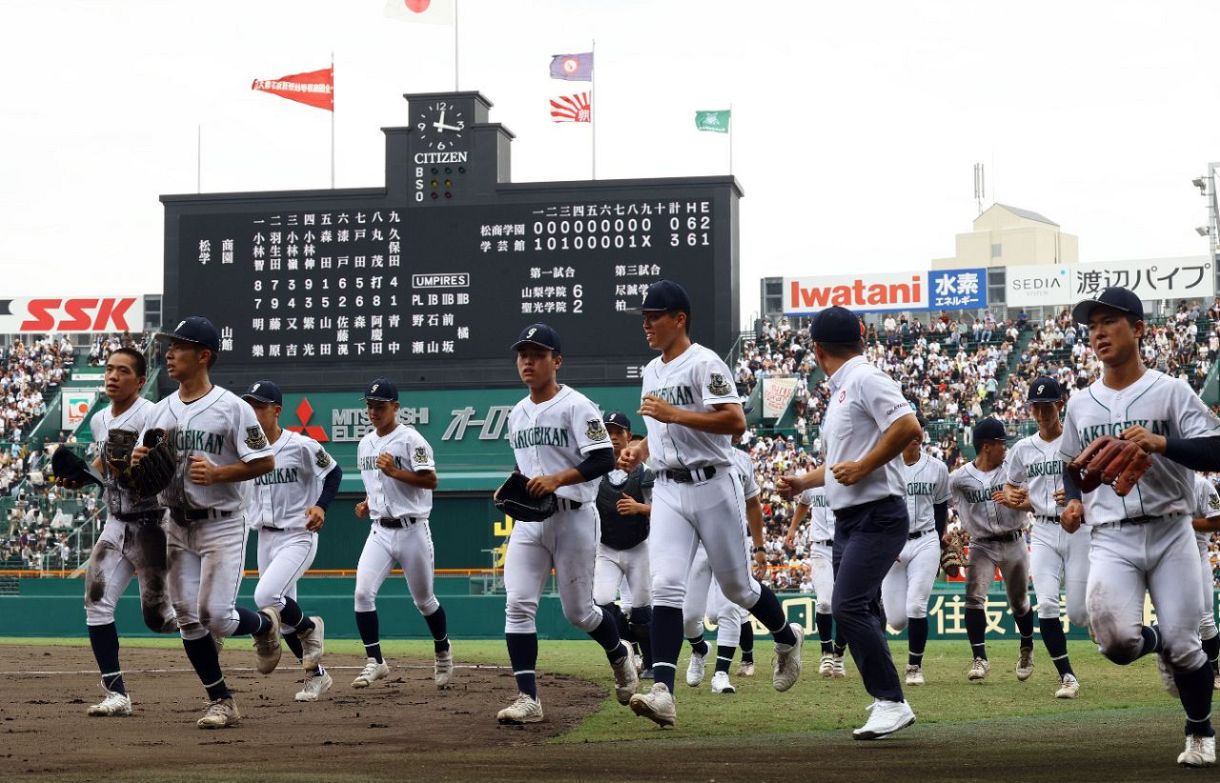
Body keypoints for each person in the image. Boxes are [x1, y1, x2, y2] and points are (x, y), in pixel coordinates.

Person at [620, 281, 803, 728]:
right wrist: (641, 449)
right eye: (643, 316)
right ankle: (663, 690)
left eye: (654, 316)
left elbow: (735, 422)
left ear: (679, 319)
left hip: (713, 483)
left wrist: (675, 414)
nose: (646, 323)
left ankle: (785, 638)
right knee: (665, 585)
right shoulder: (650, 370)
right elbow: (660, 428)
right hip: (666, 487)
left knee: (739, 588)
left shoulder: (706, 363)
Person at [1060, 286, 1220, 767]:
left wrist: (1162, 443)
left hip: (1172, 531)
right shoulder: (1080, 403)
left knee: (1187, 645)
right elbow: (1073, 466)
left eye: (1110, 322)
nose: (1099, 333)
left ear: (1139, 329)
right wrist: (1071, 502)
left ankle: (1200, 732)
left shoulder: (1170, 391)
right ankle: (1159, 648)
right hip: (1111, 536)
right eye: (1092, 326)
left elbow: (1215, 449)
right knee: (1115, 642)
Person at [778, 305, 920, 740]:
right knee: (865, 608)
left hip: (877, 513)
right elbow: (841, 464)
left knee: (847, 606)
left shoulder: (863, 378)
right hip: (850, 519)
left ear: (818, 349)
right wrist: (804, 481)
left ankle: (891, 701)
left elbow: (908, 425)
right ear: (858, 338)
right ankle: (887, 697)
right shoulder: (844, 388)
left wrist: (863, 467)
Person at [131, 316, 278, 729]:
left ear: (204, 355)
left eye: (178, 346)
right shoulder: (159, 411)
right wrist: (138, 463)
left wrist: (218, 474)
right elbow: (140, 469)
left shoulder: (233, 408)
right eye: (169, 346)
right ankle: (222, 700)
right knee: (186, 614)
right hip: (176, 523)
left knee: (215, 614)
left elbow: (264, 461)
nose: (169, 353)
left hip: (222, 524)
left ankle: (265, 624)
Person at [497, 324, 638, 724]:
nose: (528, 361)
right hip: (530, 522)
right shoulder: (516, 414)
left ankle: (618, 652)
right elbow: (525, 468)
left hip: (574, 517)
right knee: (517, 605)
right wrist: (513, 487)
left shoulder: (578, 406)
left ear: (556, 361)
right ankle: (528, 698)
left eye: (537, 354)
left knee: (579, 613)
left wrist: (557, 479)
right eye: (523, 354)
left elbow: (602, 459)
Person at [73, 347, 177, 717]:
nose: (112, 376)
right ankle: (117, 693)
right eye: (109, 369)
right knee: (96, 604)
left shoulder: (152, 415)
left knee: (158, 617)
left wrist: (135, 468)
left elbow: (165, 472)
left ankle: (209, 626)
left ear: (140, 379)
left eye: (122, 370)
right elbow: (104, 465)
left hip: (153, 526)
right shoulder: (101, 419)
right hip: (115, 524)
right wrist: (82, 476)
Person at [242, 380, 342, 702]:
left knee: (267, 596)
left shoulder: (301, 446)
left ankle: (311, 628)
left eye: (260, 406)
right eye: (250, 406)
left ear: (276, 410)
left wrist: (321, 506)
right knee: (284, 622)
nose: (254, 412)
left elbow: (334, 472)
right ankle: (317, 677)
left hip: (298, 535)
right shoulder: (247, 450)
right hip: (266, 538)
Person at [351, 377, 453, 690]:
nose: (373, 411)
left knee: (424, 601)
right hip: (380, 529)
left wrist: (396, 471)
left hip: (412, 530)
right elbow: (377, 485)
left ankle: (442, 651)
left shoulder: (412, 440)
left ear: (395, 407)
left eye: (380, 406)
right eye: (369, 405)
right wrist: (368, 502)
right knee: (362, 594)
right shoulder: (365, 444)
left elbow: (431, 480)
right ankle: (375, 661)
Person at [1002, 377, 1087, 699]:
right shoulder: (1023, 448)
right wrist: (1013, 496)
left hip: (1080, 529)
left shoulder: (1079, 443)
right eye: (1035, 407)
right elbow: (1010, 485)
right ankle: (1067, 676)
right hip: (1043, 529)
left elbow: (1104, 482)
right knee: (1047, 603)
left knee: (1078, 613)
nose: (1039, 413)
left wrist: (1082, 494)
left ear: (1060, 405)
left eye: (1046, 406)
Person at [947, 417, 1036, 682]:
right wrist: (945, 534)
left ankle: (1026, 647)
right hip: (981, 544)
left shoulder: (1013, 469)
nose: (1005, 449)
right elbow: (940, 501)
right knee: (974, 598)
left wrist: (1020, 501)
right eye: (1000, 444)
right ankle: (979, 658)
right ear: (987, 446)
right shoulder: (959, 478)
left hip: (1015, 540)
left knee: (1019, 603)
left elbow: (1034, 498)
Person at [683, 436, 768, 695]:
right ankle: (700, 649)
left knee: (729, 609)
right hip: (696, 541)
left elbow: (753, 503)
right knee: (689, 616)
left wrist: (760, 546)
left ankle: (721, 674)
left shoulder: (742, 459)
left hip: (731, 539)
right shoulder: (691, 453)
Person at [882, 416, 949, 686]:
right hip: (893, 543)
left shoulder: (937, 468)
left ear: (921, 436)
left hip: (925, 540)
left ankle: (914, 666)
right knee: (897, 620)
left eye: (916, 432)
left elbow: (941, 506)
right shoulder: (885, 467)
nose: (913, 436)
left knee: (916, 605)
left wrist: (941, 537)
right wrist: (885, 540)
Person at [592, 411, 655, 679]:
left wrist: (639, 507)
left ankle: (651, 663)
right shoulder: (594, 470)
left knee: (642, 611)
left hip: (638, 546)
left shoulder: (644, 472)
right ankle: (628, 650)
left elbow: (664, 508)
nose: (613, 437)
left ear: (629, 436)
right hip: (606, 548)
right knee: (601, 604)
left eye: (618, 432)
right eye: (608, 432)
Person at [784, 479, 847, 678]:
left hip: (847, 546)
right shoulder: (813, 480)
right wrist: (793, 528)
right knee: (825, 603)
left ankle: (839, 654)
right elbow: (803, 502)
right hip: (820, 547)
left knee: (845, 605)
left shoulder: (850, 476)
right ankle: (826, 653)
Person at [1190, 474, 1220, 691]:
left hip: (1196, 553)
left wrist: (1183, 523)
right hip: (1166, 556)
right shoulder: (1161, 482)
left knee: (1206, 619)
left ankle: (1214, 671)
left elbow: (1217, 518)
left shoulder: (1201, 484)